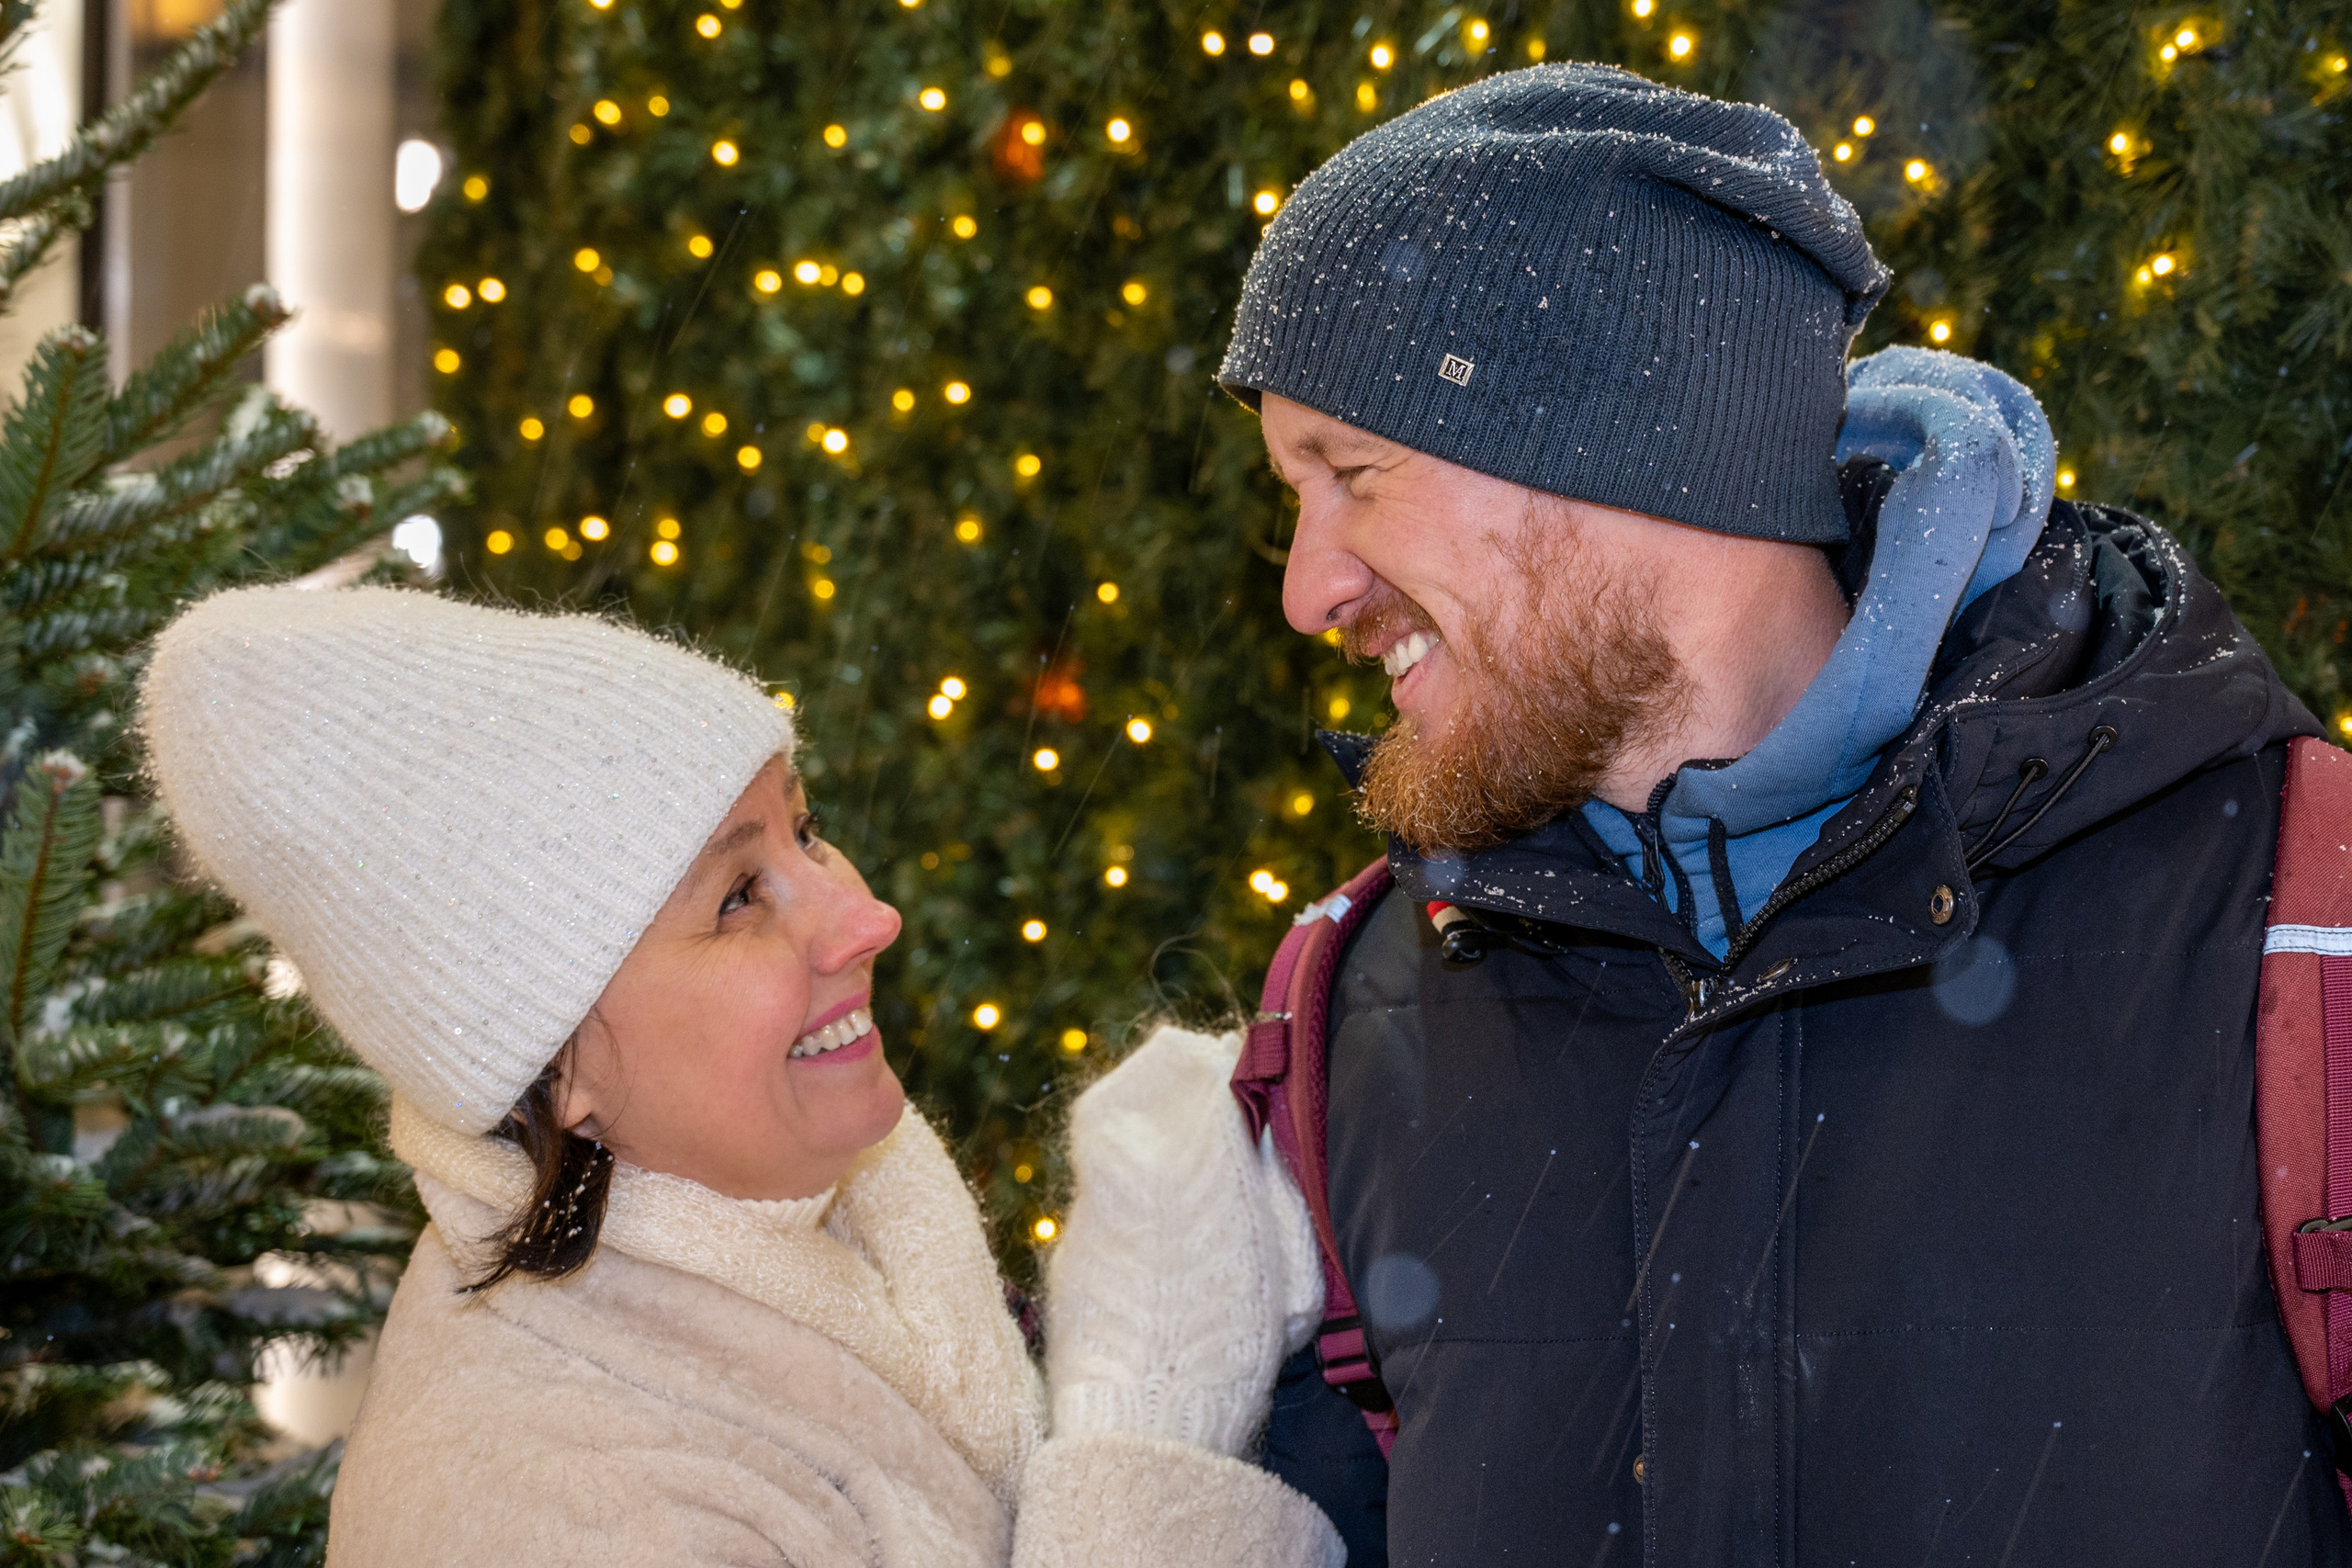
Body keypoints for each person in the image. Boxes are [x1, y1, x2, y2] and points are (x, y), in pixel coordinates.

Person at [1207, 62, 2352, 1563]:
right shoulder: (1359, 1014)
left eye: (1355, 475)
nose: (1310, 590)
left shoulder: (2292, 919)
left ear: (1626, 452)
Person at [139, 584, 1342, 1568]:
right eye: (737, 898)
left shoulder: (806, 1201)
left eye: (805, 832)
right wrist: (1149, 1411)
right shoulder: (557, 1517)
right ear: (552, 1070)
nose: (868, 918)